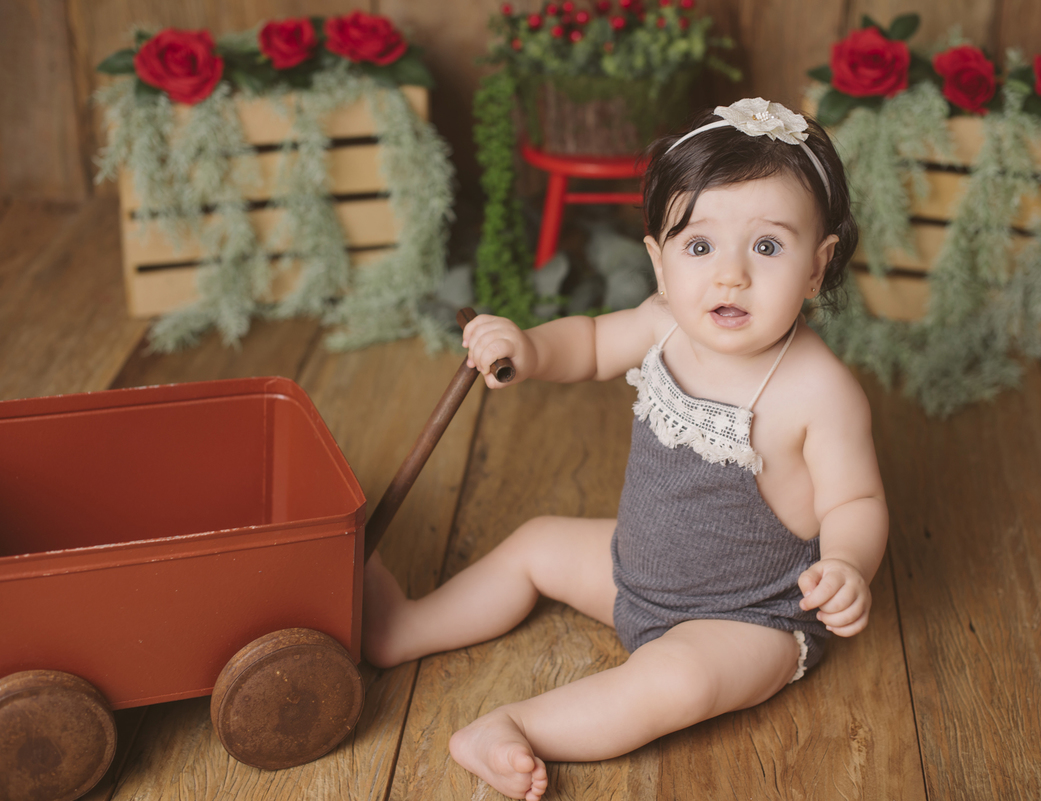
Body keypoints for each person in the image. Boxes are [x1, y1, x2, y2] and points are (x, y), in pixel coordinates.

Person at [362, 98, 888, 801]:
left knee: (677, 680)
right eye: (699, 246)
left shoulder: (819, 392)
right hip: (632, 572)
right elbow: (584, 343)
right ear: (659, 261)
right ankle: (404, 628)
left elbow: (854, 499)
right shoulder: (663, 323)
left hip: (749, 615)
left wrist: (849, 562)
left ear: (818, 266)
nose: (730, 274)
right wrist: (527, 345)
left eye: (767, 246)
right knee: (537, 541)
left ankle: (514, 724)